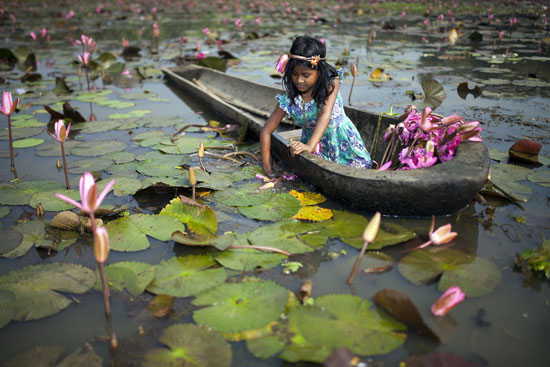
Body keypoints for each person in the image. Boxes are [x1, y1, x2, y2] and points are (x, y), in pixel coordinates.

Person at [260, 36, 372, 176]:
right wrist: (267, 166)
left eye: (306, 75)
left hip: (342, 145)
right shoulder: (289, 100)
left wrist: (309, 146)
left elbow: (325, 113)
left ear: (319, 72)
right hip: (315, 150)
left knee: (359, 170)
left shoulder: (331, 83)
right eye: (294, 74)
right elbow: (266, 131)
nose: (299, 80)